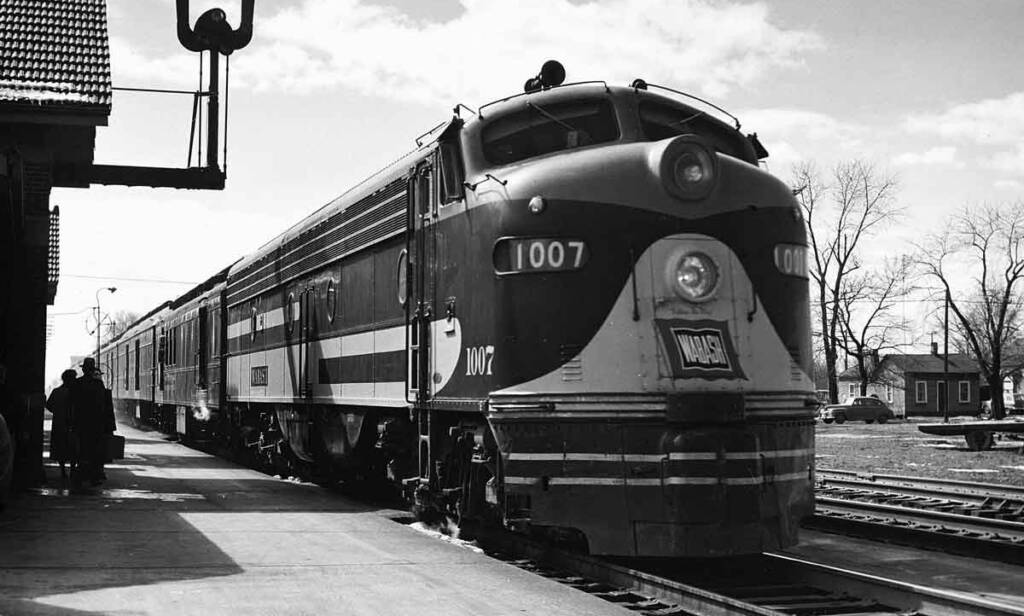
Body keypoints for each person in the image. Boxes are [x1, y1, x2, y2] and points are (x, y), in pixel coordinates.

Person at [71, 358, 116, 486]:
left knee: (81, 450)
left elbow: (72, 403)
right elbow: (105, 406)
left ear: (84, 369)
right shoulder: (98, 385)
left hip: (81, 422)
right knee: (95, 451)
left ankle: (80, 475)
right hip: (97, 424)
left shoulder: (77, 384)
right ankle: (94, 475)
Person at [45, 370, 78, 479]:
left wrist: (58, 412)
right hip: (73, 424)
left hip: (59, 423)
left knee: (60, 447)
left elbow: (49, 405)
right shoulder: (76, 392)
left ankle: (63, 470)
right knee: (73, 447)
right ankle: (73, 469)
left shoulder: (56, 391)